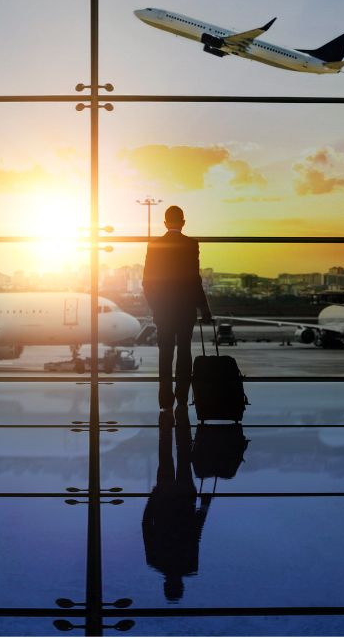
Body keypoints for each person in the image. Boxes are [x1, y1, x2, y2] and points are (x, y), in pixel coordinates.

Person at [143, 205, 212, 421]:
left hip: (163, 310)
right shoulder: (191, 244)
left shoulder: (154, 245)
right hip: (185, 309)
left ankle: (165, 401)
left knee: (165, 353)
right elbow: (194, 279)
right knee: (184, 352)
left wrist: (156, 306)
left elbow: (147, 281)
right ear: (183, 223)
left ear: (165, 223)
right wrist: (204, 307)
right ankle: (182, 398)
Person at [142, 414, 210, 603]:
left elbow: (195, 531)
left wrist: (205, 506)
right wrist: (153, 498)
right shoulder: (155, 561)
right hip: (165, 498)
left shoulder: (190, 565)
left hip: (184, 499)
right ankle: (167, 418)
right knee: (166, 454)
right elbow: (146, 525)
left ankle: (181, 419)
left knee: (183, 455)